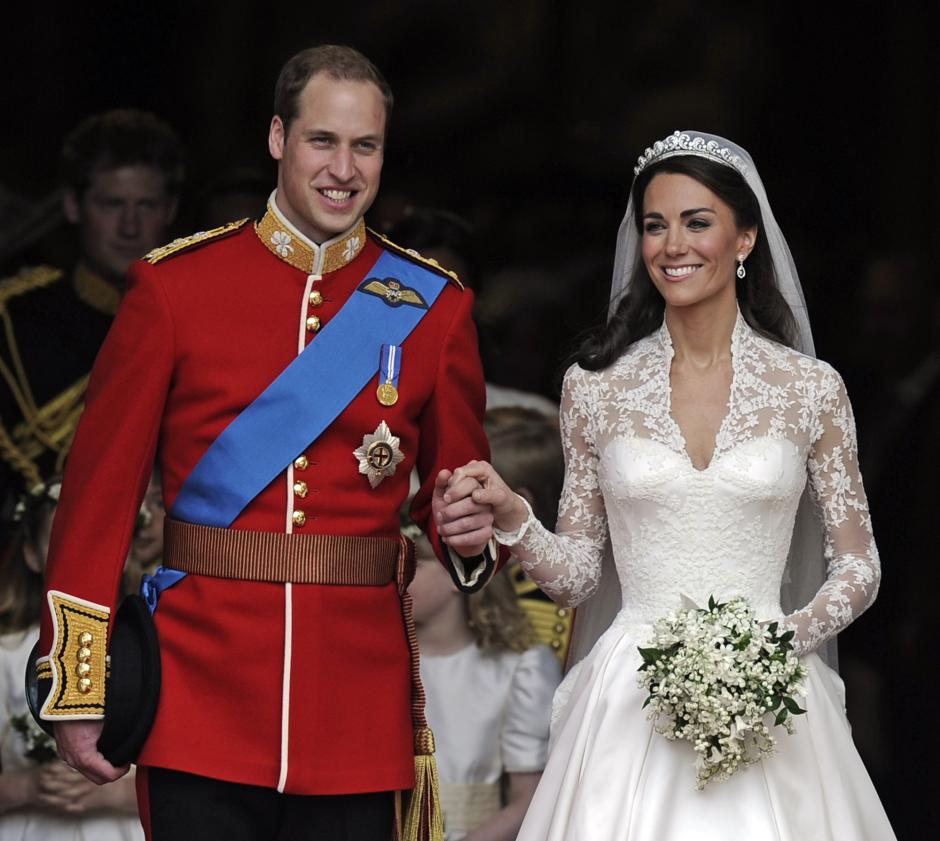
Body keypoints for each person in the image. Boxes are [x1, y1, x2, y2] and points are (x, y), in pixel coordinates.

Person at [35, 45, 497, 841]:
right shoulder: (173, 288)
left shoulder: (433, 307)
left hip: (357, 705)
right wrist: (77, 686)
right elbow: (97, 500)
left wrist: (471, 531)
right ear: (279, 138)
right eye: (323, 140)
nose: (343, 169)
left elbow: (456, 502)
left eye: (366, 146)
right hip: (198, 698)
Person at [438, 131, 896, 840]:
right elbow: (579, 574)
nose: (671, 244)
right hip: (629, 701)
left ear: (745, 237)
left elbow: (859, 564)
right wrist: (514, 516)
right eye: (655, 224)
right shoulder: (596, 387)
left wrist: (777, 640)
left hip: (770, 684)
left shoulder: (811, 389)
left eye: (697, 221)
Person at [0, 109, 183, 527]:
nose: (130, 226)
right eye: (111, 204)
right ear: (72, 205)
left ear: (170, 210)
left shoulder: (203, 324)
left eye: (147, 205)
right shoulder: (16, 319)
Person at [0, 479, 142, 840]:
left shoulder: (142, 646)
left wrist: (119, 792)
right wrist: (26, 787)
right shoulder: (8, 651)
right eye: (61, 543)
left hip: (119, 826)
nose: (81, 558)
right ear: (31, 553)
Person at [407, 518, 560, 841]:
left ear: (455, 575)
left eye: (416, 564)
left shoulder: (519, 668)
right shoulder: (387, 666)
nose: (401, 576)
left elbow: (528, 800)